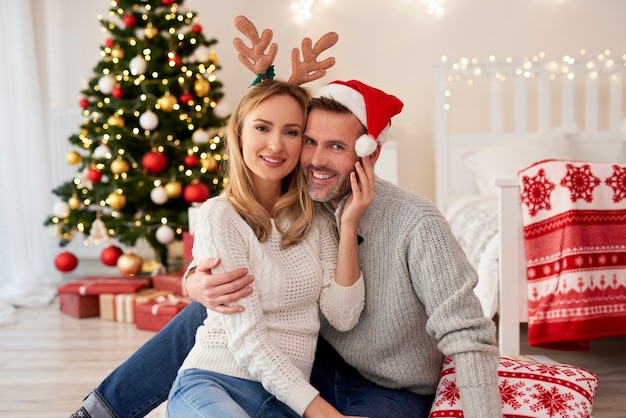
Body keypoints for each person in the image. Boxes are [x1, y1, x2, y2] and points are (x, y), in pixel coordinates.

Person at [71, 80, 502, 418]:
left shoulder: (415, 222)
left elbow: (469, 336)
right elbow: (249, 251)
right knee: (213, 303)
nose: (314, 159)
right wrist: (194, 281)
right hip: (314, 364)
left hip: (389, 388)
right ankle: (99, 412)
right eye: (309, 141)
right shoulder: (303, 204)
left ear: (368, 153)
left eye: (336, 146)